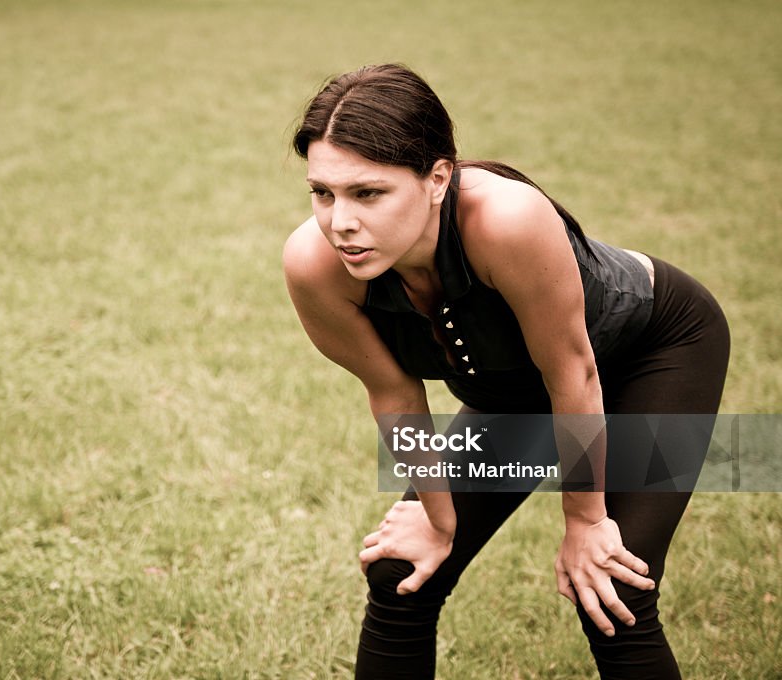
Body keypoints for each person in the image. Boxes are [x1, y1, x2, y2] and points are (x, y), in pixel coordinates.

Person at [282, 64, 730, 679]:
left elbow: (573, 374)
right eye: (323, 192)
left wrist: (586, 521)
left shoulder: (506, 221)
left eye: (368, 193)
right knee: (403, 573)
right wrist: (439, 522)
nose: (340, 222)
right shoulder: (316, 266)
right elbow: (393, 393)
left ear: (438, 178)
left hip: (650, 354)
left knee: (612, 590)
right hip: (519, 393)